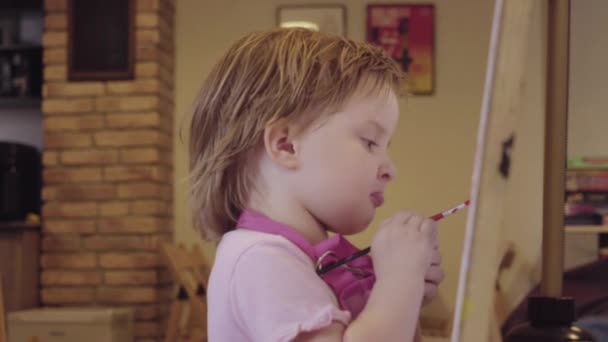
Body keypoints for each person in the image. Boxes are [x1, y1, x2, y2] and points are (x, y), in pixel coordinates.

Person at [188, 27, 444, 341]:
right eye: (369, 141)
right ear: (286, 145)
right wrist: (400, 281)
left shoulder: (303, 261)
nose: (390, 169)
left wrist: (402, 299)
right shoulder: (260, 259)